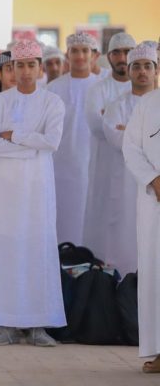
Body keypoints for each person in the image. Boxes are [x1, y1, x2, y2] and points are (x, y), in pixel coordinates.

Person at [0, 39, 66, 346]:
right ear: (11, 69)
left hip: (37, 190)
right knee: (4, 251)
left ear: (40, 68)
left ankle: (38, 324)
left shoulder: (52, 103)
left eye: (31, 65)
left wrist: (14, 135)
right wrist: (31, 147)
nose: (26, 71)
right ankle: (4, 323)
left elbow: (52, 142)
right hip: (3, 190)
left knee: (37, 249)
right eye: (20, 66)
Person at [102, 44, 158, 275]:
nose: (142, 71)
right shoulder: (116, 106)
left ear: (155, 70)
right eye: (137, 66)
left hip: (155, 182)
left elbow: (130, 140)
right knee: (125, 231)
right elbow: (116, 139)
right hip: (125, 180)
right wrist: (144, 137)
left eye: (147, 66)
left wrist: (132, 133)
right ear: (129, 70)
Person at [83, 33, 136, 263]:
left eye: (127, 52)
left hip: (135, 171)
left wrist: (118, 123)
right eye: (117, 52)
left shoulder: (145, 90)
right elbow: (98, 127)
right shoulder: (97, 90)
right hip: (104, 165)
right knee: (102, 219)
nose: (122, 57)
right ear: (109, 56)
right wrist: (132, 128)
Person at [47, 32, 100, 245]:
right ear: (67, 54)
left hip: (95, 166)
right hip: (61, 169)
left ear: (93, 55)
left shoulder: (103, 86)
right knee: (63, 221)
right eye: (75, 51)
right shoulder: (54, 88)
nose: (80, 56)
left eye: (84, 51)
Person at [122, 86, 160, 375]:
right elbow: (131, 148)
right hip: (153, 200)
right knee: (155, 273)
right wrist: (153, 179)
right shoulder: (147, 104)